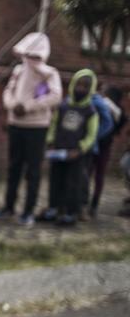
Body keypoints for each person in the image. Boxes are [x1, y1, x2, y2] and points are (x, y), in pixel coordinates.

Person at [0, 32, 62, 226]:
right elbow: (8, 91)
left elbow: (55, 96)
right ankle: (8, 207)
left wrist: (29, 106)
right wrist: (12, 105)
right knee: (14, 167)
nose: (30, 58)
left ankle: (28, 211)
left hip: (37, 127)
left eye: (34, 54)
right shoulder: (18, 70)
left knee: (33, 171)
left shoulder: (49, 73)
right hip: (16, 125)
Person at [37, 69, 99, 226]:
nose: (81, 89)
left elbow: (92, 135)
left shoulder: (91, 111)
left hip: (76, 154)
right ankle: (53, 209)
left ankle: (71, 213)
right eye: (79, 84)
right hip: (58, 150)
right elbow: (54, 124)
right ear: (73, 84)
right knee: (55, 180)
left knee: (74, 183)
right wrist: (50, 142)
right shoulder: (63, 106)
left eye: (85, 86)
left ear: (90, 89)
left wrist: (80, 149)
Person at [86, 85, 126, 217]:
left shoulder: (101, 105)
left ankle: (85, 202)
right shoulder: (119, 111)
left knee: (89, 172)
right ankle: (93, 205)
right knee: (99, 175)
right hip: (105, 146)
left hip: (95, 143)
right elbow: (118, 130)